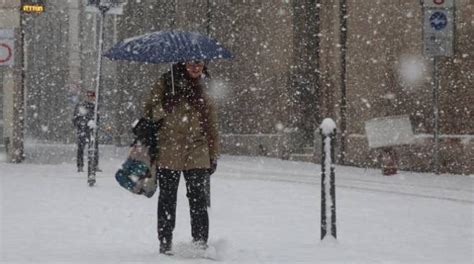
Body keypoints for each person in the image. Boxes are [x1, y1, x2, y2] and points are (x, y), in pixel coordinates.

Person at [143, 61, 219, 255]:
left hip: (198, 149)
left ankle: (200, 242)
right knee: (168, 198)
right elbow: (149, 112)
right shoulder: (166, 82)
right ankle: (165, 241)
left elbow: (212, 124)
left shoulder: (206, 85)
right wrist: (166, 105)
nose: (196, 68)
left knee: (199, 199)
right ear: (183, 63)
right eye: (192, 64)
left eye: (200, 64)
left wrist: (213, 154)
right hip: (169, 149)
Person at [72, 90, 100, 172]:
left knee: (94, 148)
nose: (90, 98)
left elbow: (97, 118)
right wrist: (81, 125)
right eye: (89, 96)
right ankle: (80, 166)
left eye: (92, 97)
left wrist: (95, 125)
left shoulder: (95, 106)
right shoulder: (80, 106)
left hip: (92, 131)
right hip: (83, 130)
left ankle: (95, 165)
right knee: (81, 148)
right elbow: (75, 118)